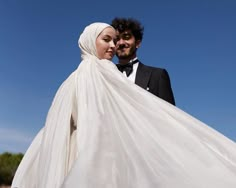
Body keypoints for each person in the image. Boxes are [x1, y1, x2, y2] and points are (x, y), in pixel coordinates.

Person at [12, 22, 236, 188]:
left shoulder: (152, 75)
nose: (116, 44)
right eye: (109, 40)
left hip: (146, 158)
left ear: (137, 42)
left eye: (122, 38)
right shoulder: (91, 73)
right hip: (103, 154)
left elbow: (168, 117)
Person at [111, 17, 175, 105]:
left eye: (126, 37)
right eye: (117, 39)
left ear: (137, 43)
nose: (121, 43)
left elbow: (170, 114)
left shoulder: (157, 75)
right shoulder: (105, 74)